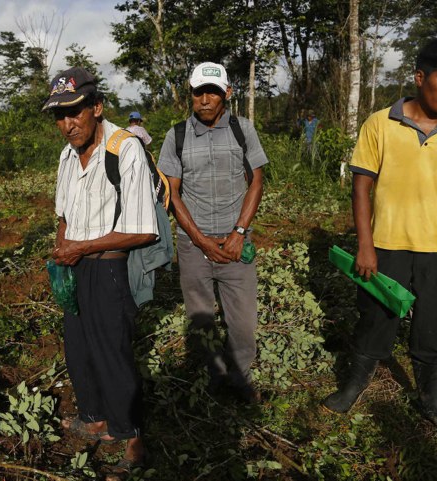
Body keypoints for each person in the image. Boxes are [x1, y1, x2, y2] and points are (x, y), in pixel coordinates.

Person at [322, 37, 437, 438]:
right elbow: (361, 188)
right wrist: (366, 245)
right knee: (375, 318)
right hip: (388, 244)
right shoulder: (380, 123)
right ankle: (353, 386)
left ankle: (432, 400)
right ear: (420, 76)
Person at [43, 66, 158, 472]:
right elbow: (63, 213)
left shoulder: (123, 148)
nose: (67, 124)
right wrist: (62, 249)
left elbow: (143, 230)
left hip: (110, 268)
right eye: (59, 116)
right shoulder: (67, 154)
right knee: (79, 349)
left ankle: (131, 437)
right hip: (75, 264)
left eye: (75, 112)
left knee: (113, 353)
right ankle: (95, 419)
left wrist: (83, 248)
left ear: (97, 106)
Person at [158, 62, 268, 403]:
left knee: (243, 320)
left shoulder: (243, 129)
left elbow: (257, 182)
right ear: (190, 94)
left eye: (213, 92)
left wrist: (238, 233)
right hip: (193, 246)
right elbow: (172, 194)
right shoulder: (175, 135)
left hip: (236, 242)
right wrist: (202, 240)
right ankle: (216, 377)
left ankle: (241, 377)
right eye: (198, 92)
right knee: (201, 317)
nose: (205, 100)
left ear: (227, 94)